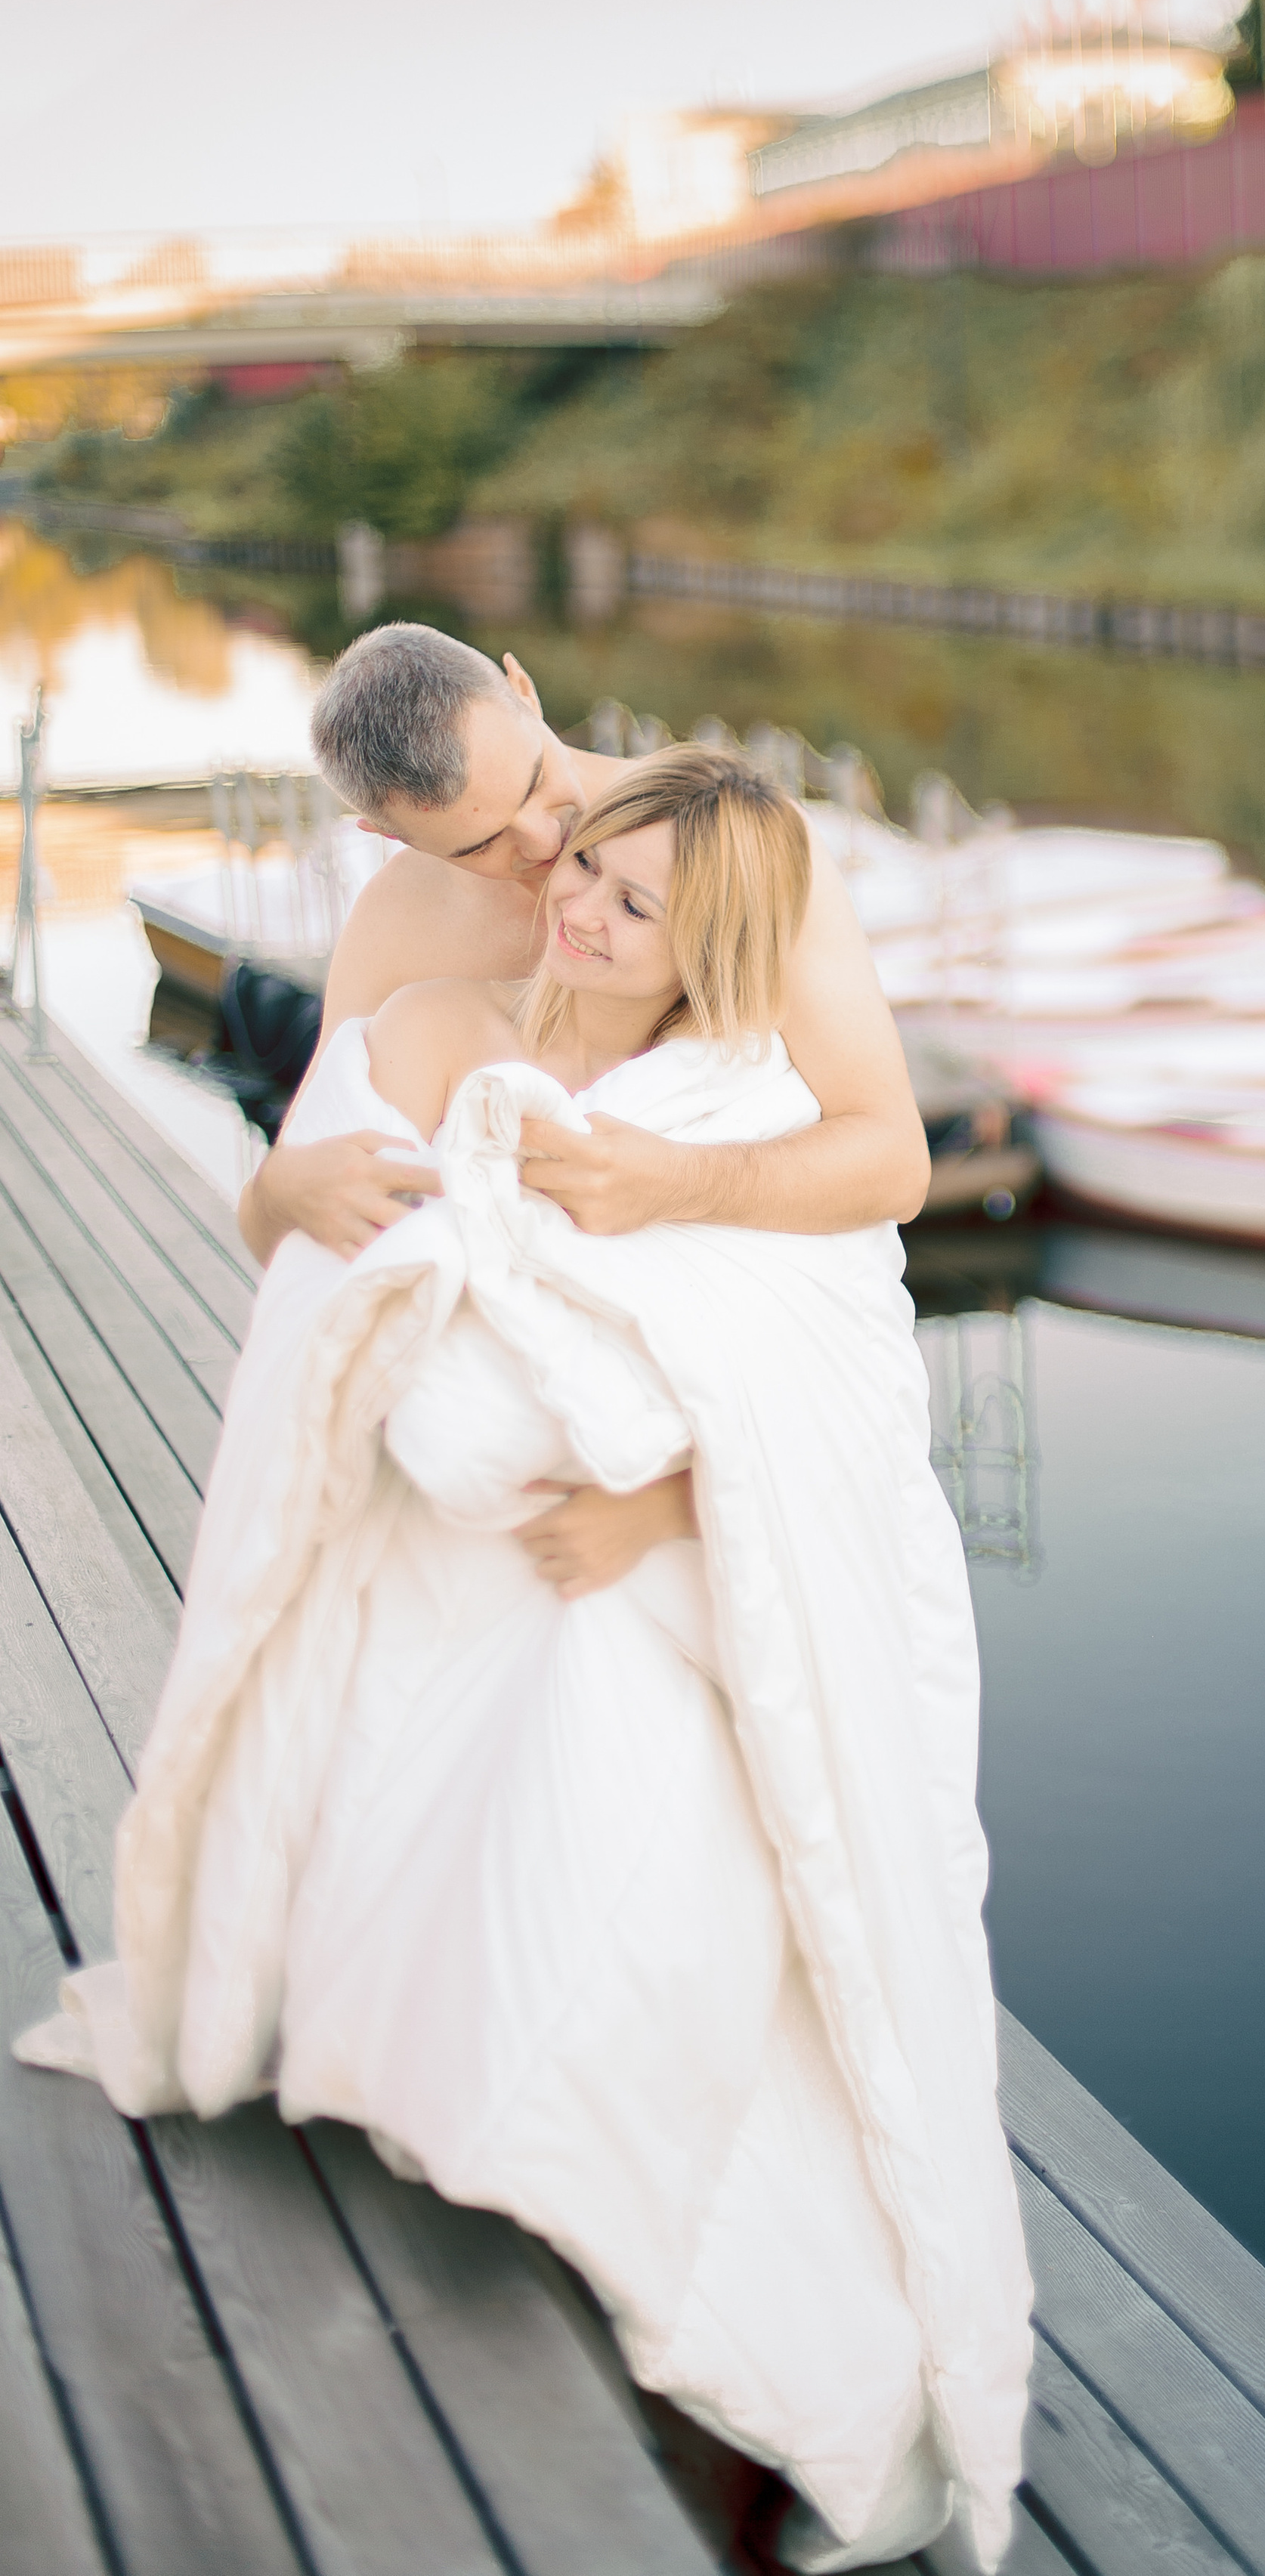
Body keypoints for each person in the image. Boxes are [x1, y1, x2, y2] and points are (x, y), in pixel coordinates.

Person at [18, 746, 1034, 2569]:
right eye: (581, 876)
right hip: (472, 1531)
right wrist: (350, 1252)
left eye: (629, 903)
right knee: (473, 1807)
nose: (569, 897)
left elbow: (824, 1375)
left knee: (641, 1838)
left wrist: (661, 1495)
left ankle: (669, 2270)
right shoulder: (433, 1014)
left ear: (697, 952)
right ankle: (482, 2113)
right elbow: (307, 1229)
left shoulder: (726, 1097)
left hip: (663, 1558)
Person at [246, 619, 932, 1603]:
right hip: (506, 1488)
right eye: (482, 842)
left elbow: (893, 1163)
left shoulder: (731, 848)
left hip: (723, 1454)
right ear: (386, 837)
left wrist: (676, 1181)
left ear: (524, 690)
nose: (544, 841)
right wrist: (284, 1190)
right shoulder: (399, 931)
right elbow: (290, 1223)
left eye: (532, 783)